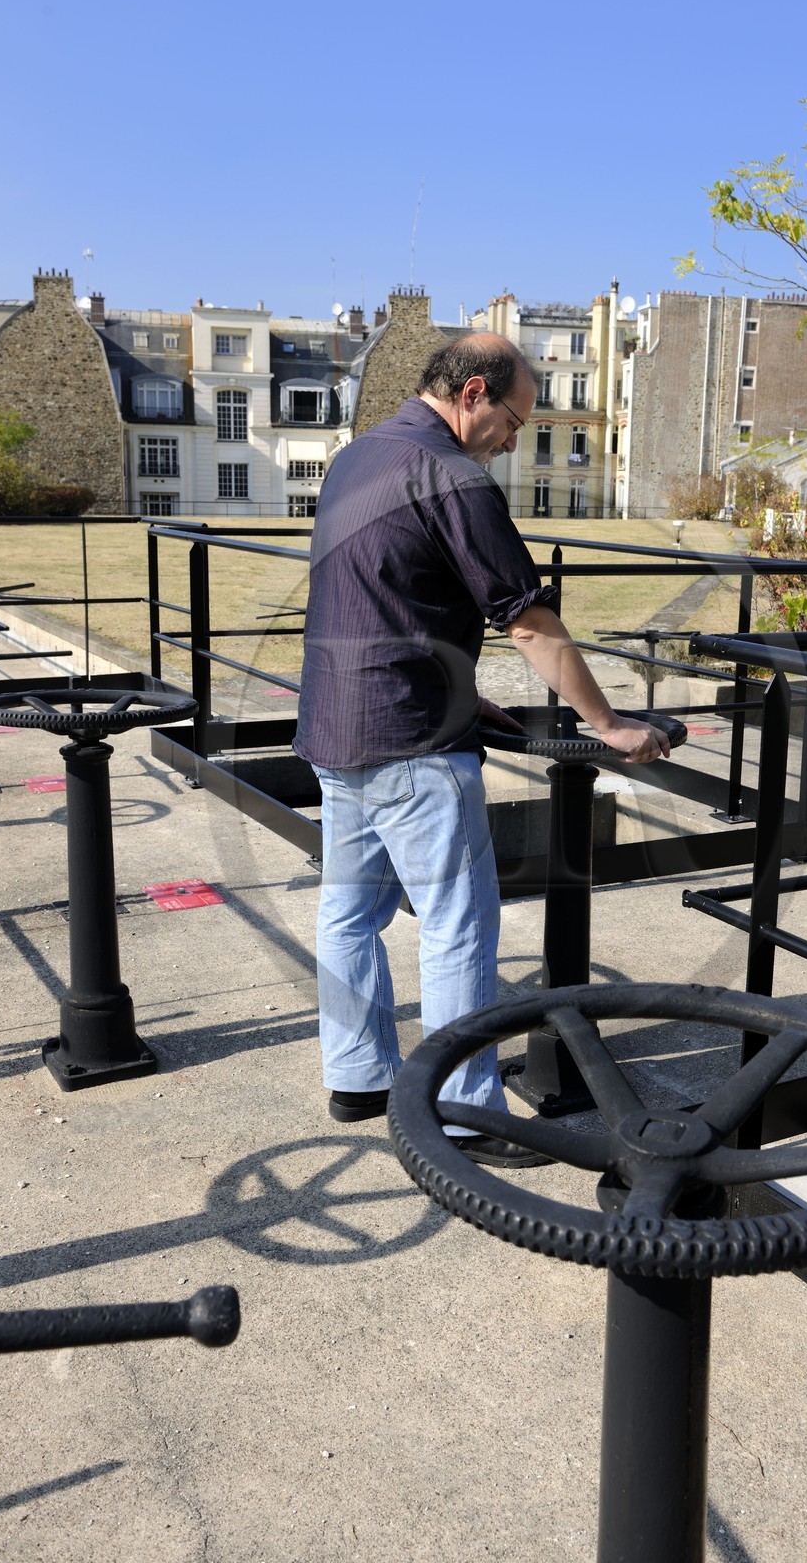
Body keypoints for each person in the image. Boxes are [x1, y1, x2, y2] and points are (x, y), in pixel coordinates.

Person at [294, 333, 668, 1167]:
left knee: (349, 913)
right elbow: (526, 620)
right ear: (471, 394)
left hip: (333, 722)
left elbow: (383, 592)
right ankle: (466, 1115)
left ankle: (358, 1077)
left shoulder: (358, 456)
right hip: (412, 739)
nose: (512, 442)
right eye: (514, 422)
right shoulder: (452, 475)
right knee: (457, 926)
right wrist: (608, 723)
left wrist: (461, 685)